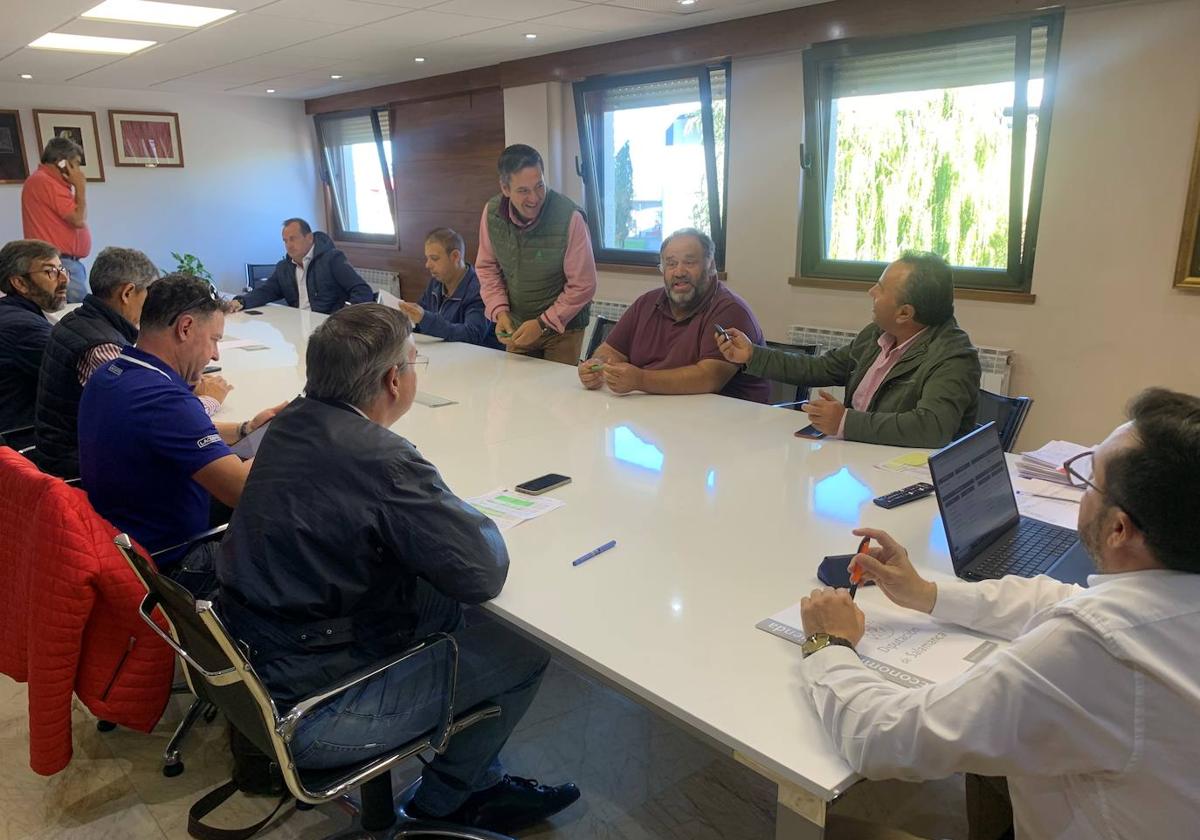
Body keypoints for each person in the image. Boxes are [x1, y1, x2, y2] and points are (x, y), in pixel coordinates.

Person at [215, 304, 581, 833]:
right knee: (522, 650)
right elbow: (481, 572)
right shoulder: (381, 459)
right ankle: (449, 800)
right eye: (415, 362)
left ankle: (477, 777)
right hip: (314, 707)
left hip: (259, 660)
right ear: (394, 379)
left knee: (446, 602)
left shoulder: (291, 421)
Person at [796, 387, 1200, 840]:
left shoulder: (1097, 645)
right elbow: (1058, 596)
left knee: (819, 830)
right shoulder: (1172, 593)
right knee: (991, 763)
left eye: (1088, 479)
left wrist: (827, 644)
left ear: (1120, 528)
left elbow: (883, 740)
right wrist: (926, 594)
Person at [78, 274, 280, 596]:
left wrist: (245, 429)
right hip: (173, 562)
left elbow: (172, 433)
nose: (216, 355)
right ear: (185, 328)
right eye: (214, 339)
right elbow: (240, 488)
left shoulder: (112, 373)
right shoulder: (164, 401)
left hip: (120, 540)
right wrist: (289, 439)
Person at [717, 251, 980, 447]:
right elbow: (820, 368)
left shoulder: (953, 356)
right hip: (857, 455)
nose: (871, 291)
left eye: (881, 288)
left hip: (901, 472)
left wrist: (845, 422)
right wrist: (752, 354)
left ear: (904, 313)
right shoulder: (877, 334)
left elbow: (931, 427)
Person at [34, 247, 232, 479]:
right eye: (150, 296)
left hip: (70, 457)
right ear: (127, 293)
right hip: (76, 470)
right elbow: (153, 415)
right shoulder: (103, 348)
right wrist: (210, 400)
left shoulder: (81, 320)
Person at [578, 228, 769, 402]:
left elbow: (709, 378)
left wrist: (640, 379)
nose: (679, 272)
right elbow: (611, 350)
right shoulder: (646, 303)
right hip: (657, 415)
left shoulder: (730, 310)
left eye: (689, 262)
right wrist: (598, 367)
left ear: (711, 266)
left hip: (727, 425)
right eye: (671, 264)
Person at [477, 144, 596, 365]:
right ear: (505, 188)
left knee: (556, 397)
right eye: (523, 190)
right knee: (517, 393)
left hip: (564, 331)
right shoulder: (491, 214)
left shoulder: (570, 217)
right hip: (518, 325)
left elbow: (583, 284)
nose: (535, 198)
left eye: (539, 185)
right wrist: (500, 312)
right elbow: (487, 268)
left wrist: (542, 324)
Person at [230, 218, 374, 314]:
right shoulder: (284, 268)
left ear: (309, 238)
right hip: (298, 326)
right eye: (285, 241)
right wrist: (242, 301)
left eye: (293, 239)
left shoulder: (332, 259)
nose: (288, 245)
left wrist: (344, 317)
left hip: (329, 329)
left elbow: (362, 290)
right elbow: (267, 291)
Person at [0, 239, 66, 434]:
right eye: (50, 272)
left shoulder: (11, 313)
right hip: (21, 442)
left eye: (61, 269)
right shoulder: (23, 328)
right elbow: (77, 376)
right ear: (20, 283)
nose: (64, 279)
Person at [401, 227, 502, 349]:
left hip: (477, 360)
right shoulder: (436, 283)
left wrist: (425, 318)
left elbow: (472, 335)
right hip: (444, 354)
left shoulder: (479, 288)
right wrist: (408, 317)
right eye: (427, 258)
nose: (427, 265)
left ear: (455, 256)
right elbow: (420, 319)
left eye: (434, 258)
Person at [21, 137, 91, 303]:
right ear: (62, 163)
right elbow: (78, 219)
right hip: (60, 263)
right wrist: (80, 187)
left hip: (62, 262)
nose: (79, 171)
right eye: (76, 163)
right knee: (75, 318)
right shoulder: (45, 182)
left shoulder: (43, 181)